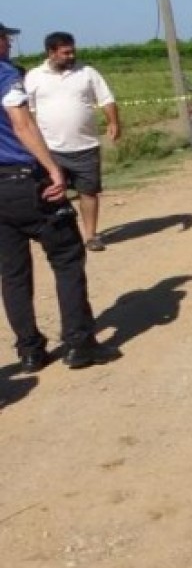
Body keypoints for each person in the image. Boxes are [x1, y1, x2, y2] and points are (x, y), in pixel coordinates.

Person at [0, 21, 118, 371]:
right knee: (67, 257)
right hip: (25, 180)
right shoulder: (6, 75)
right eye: (5, 38)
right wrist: (52, 167)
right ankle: (79, 344)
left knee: (13, 273)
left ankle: (30, 351)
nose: (8, 43)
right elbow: (21, 123)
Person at [25, 31, 121, 252]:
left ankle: (90, 235)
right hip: (50, 149)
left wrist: (114, 122)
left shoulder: (87, 72)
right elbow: (27, 111)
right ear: (51, 52)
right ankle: (56, 236)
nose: (71, 56)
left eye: (72, 51)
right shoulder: (34, 77)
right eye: (65, 52)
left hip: (85, 146)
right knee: (52, 194)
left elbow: (106, 99)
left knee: (88, 192)